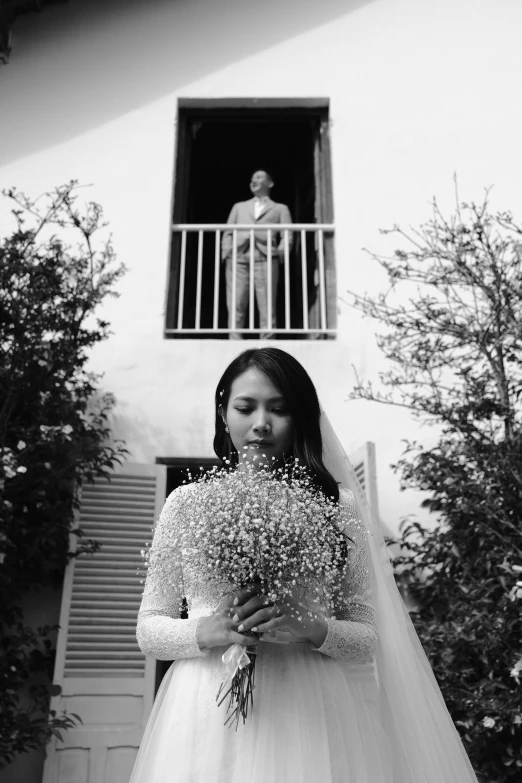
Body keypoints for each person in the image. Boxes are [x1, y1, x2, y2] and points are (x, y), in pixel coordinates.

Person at [130, 348, 479, 783]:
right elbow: (149, 629)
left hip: (309, 708)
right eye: (245, 407)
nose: (261, 423)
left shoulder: (335, 506)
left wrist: (312, 628)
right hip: (204, 705)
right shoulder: (186, 503)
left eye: (279, 409)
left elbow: (365, 635)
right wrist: (209, 630)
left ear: (300, 418)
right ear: (224, 413)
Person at [221, 171, 292, 339]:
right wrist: (227, 251)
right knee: (236, 300)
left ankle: (267, 342)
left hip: (266, 257)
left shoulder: (280, 208)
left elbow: (287, 234)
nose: (254, 180)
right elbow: (228, 231)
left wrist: (281, 252)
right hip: (239, 256)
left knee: (267, 301)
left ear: (270, 183)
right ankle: (235, 339)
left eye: (259, 177)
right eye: (252, 178)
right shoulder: (239, 207)